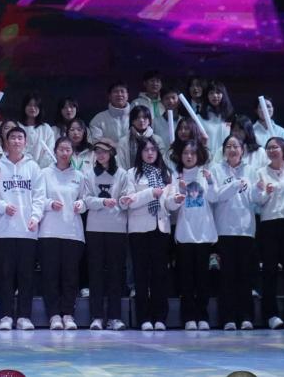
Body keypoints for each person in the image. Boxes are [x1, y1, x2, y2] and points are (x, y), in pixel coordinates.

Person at [0, 126, 44, 331]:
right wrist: (3, 207)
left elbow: (39, 196)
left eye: (19, 137)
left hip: (27, 230)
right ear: (6, 142)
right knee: (5, 274)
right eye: (12, 137)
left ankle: (24, 316)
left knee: (26, 275)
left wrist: (35, 217)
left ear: (25, 142)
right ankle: (5, 315)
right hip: (4, 229)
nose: (16, 141)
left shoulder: (33, 167)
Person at [120, 137, 172, 331]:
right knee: (141, 275)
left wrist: (176, 200)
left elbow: (168, 203)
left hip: (161, 228)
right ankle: (144, 318)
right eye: (146, 150)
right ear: (140, 152)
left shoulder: (165, 173)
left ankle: (160, 317)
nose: (150, 153)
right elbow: (129, 201)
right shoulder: (132, 174)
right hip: (139, 230)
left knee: (160, 275)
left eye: (153, 149)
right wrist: (151, 193)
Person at [165, 140, 218, 330]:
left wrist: (210, 181)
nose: (189, 156)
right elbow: (170, 205)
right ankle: (188, 317)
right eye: (186, 153)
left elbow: (214, 197)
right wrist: (178, 193)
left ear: (199, 155)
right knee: (186, 278)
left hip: (204, 233)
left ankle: (202, 316)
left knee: (203, 278)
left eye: (193, 153)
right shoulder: (176, 176)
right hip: (184, 234)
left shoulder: (205, 173)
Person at [37, 135, 88, 331]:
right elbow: (38, 199)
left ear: (72, 152)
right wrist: (50, 204)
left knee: (70, 276)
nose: (64, 153)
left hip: (73, 233)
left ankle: (68, 314)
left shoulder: (79, 176)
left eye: (68, 150)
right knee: (50, 276)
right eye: (61, 149)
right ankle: (54, 315)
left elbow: (86, 200)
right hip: (49, 232)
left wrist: (81, 204)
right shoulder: (44, 173)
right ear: (55, 151)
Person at [253, 136, 284, 329]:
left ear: (283, 150)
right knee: (269, 271)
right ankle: (271, 315)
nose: (272, 151)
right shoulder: (260, 172)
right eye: (269, 148)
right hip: (269, 223)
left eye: (275, 147)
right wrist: (266, 192)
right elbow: (258, 201)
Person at [83, 135, 130, 331]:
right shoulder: (89, 174)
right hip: (95, 228)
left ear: (112, 153)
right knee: (95, 273)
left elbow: (126, 197)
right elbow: (86, 200)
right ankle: (96, 316)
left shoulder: (122, 174)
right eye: (97, 151)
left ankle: (115, 317)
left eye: (104, 151)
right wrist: (102, 202)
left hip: (116, 228)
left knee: (115, 273)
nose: (100, 155)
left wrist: (123, 201)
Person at [212, 134, 258, 330]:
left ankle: (246, 317)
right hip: (224, 229)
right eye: (229, 146)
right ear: (224, 150)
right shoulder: (216, 169)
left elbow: (255, 198)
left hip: (246, 229)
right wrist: (235, 184)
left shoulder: (252, 170)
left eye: (236, 146)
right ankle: (228, 318)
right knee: (227, 276)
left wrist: (260, 190)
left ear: (242, 150)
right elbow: (215, 196)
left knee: (245, 275)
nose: (232, 150)